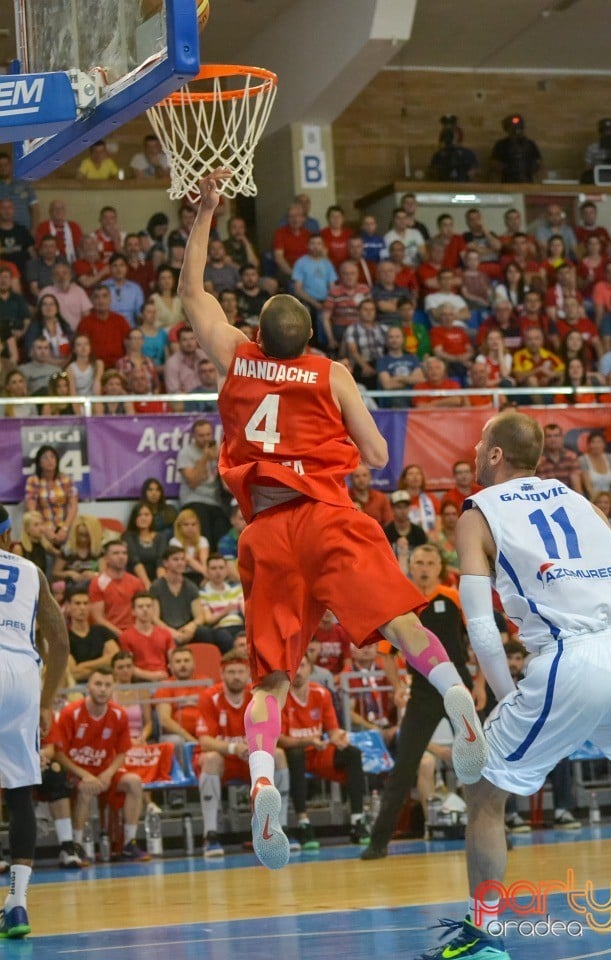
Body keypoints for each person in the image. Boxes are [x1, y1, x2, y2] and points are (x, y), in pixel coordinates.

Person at [177, 170, 488, 872]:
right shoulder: (332, 373)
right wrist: (344, 436)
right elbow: (378, 455)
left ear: (257, 332)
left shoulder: (237, 357)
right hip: (328, 516)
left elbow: (193, 294)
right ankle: (459, 699)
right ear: (311, 337)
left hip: (266, 529)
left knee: (269, 682)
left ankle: (261, 783)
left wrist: (204, 214)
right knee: (405, 624)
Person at [415, 410, 611, 960]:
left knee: (484, 790)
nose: (472, 453)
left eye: (479, 445)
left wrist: (504, 691)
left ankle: (482, 940)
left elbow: (481, 628)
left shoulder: (478, 511)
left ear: (495, 455)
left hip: (569, 659)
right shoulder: (581, 501)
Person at [363, 544, 478, 860]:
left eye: (431, 562)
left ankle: (499, 829)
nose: (425, 567)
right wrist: (398, 685)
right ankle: (378, 842)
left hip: (459, 688)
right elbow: (386, 652)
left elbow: (479, 639)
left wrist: (480, 683)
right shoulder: (402, 605)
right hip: (424, 694)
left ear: (440, 566)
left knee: (481, 759)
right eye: (419, 562)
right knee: (404, 766)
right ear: (410, 566)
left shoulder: (452, 597)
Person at [0, 504, 69, 938]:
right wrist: (46, 700)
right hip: (22, 674)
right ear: (8, 536)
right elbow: (59, 640)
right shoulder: (29, 569)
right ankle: (18, 905)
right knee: (20, 793)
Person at [196, 649, 290, 857]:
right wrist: (233, 748)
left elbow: (274, 732)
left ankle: (280, 827)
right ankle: (210, 835)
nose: (236, 676)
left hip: (251, 759)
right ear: (222, 674)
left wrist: (255, 748)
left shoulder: (258, 695)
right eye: (231, 672)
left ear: (248, 673)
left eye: (240, 672)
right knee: (210, 759)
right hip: (225, 760)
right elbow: (205, 740)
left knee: (280, 755)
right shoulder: (209, 697)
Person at [53, 667, 150, 861]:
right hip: (76, 772)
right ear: (88, 686)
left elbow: (122, 752)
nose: (103, 689)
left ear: (113, 687)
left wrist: (107, 773)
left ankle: (129, 843)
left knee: (134, 782)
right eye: (98, 684)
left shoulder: (119, 714)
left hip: (104, 772)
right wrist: (85, 775)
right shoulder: (71, 713)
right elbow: (59, 754)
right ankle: (77, 846)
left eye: (107, 685)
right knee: (86, 788)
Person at [280, 652, 370, 849]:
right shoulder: (280, 697)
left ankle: (358, 820)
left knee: (352, 753)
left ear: (310, 669)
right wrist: (307, 741)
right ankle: (303, 823)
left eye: (302, 666)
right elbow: (279, 740)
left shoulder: (321, 693)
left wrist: (339, 738)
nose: (298, 671)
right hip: (293, 753)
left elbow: (332, 730)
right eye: (293, 667)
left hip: (319, 751)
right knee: (295, 756)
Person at [176, 419, 229, 548]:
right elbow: (192, 482)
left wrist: (219, 460)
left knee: (223, 527)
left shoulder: (218, 451)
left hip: (215, 502)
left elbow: (226, 485)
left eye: (208, 434)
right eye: (201, 435)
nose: (205, 438)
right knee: (204, 527)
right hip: (194, 500)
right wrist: (205, 458)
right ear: (193, 436)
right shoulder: (186, 453)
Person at [88, 540, 144, 640]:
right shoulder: (98, 583)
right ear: (106, 558)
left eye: (124, 553)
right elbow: (98, 618)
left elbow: (143, 612)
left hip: (134, 633)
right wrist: (122, 635)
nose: (121, 556)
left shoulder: (136, 582)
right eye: (116, 553)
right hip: (108, 635)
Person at [24, 445, 78, 549]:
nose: (50, 460)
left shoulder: (66, 479)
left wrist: (65, 528)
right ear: (39, 462)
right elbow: (32, 510)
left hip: (65, 529)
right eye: (45, 458)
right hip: (43, 531)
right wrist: (45, 529)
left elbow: (73, 507)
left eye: (52, 457)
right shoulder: (33, 481)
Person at [65, 589, 119, 683]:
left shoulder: (102, 631)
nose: (82, 607)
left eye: (86, 603)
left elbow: (115, 660)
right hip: (77, 689)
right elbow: (73, 672)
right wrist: (103, 667)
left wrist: (83, 666)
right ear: (68, 606)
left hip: (106, 685)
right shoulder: (64, 638)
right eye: (77, 603)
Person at [118, 592, 173, 682]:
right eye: (140, 607)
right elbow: (127, 666)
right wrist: (153, 676)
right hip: (140, 683)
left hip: (164, 681)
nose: (145, 609)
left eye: (148, 606)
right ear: (133, 611)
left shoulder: (165, 633)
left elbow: (173, 661)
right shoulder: (126, 636)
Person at [195, 553, 245, 651]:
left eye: (221, 568)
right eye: (213, 568)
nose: (218, 572)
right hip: (220, 628)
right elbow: (208, 619)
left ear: (226, 570)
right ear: (207, 571)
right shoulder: (202, 593)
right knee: (222, 636)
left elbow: (245, 611)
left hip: (239, 626)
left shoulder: (237, 589)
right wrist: (225, 611)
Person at [490, 114, 542, 183]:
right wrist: (508, 169)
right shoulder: (501, 144)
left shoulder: (530, 144)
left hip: (527, 182)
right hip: (508, 182)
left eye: (519, 128)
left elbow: (538, 162)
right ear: (507, 129)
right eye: (513, 129)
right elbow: (494, 163)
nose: (517, 131)